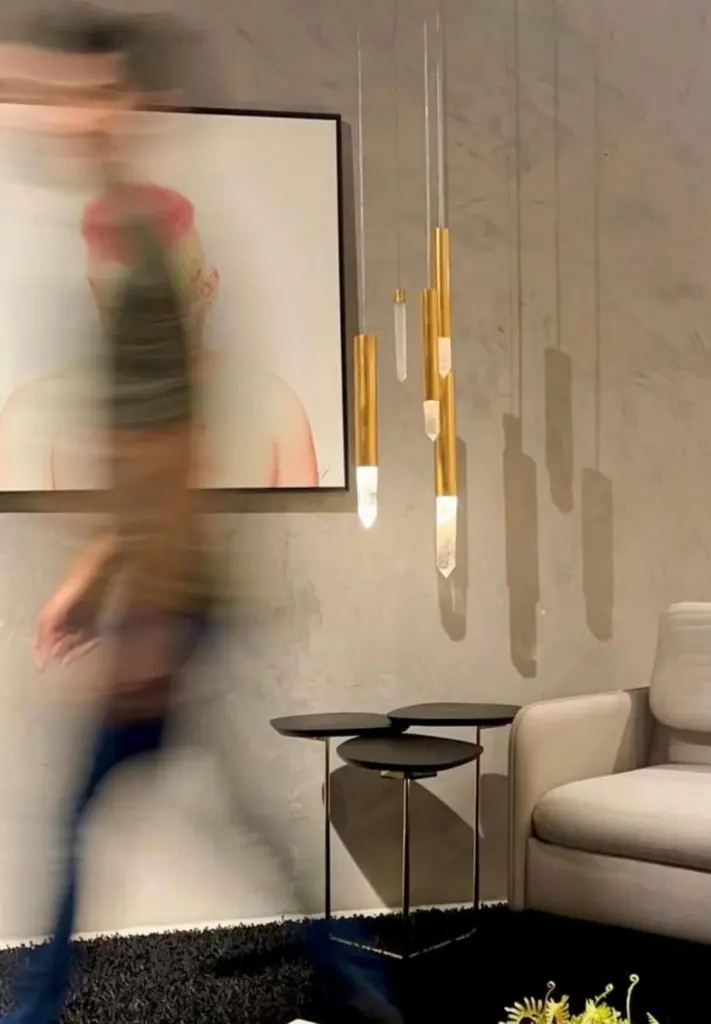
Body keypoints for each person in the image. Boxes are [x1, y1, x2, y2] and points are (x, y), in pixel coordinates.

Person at [0, 8, 401, 1022]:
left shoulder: (145, 258)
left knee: (88, 816)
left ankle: (37, 1009)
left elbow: (171, 453)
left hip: (168, 602)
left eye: (81, 96)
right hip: (162, 595)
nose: (56, 116)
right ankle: (353, 984)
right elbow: (139, 456)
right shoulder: (125, 243)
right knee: (216, 812)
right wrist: (90, 581)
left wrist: (144, 618)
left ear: (129, 105)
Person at [0, 182, 319, 490]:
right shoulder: (33, 422)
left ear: (207, 290)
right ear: (95, 295)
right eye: (124, 307)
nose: (146, 330)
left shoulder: (275, 413)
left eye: (164, 304)